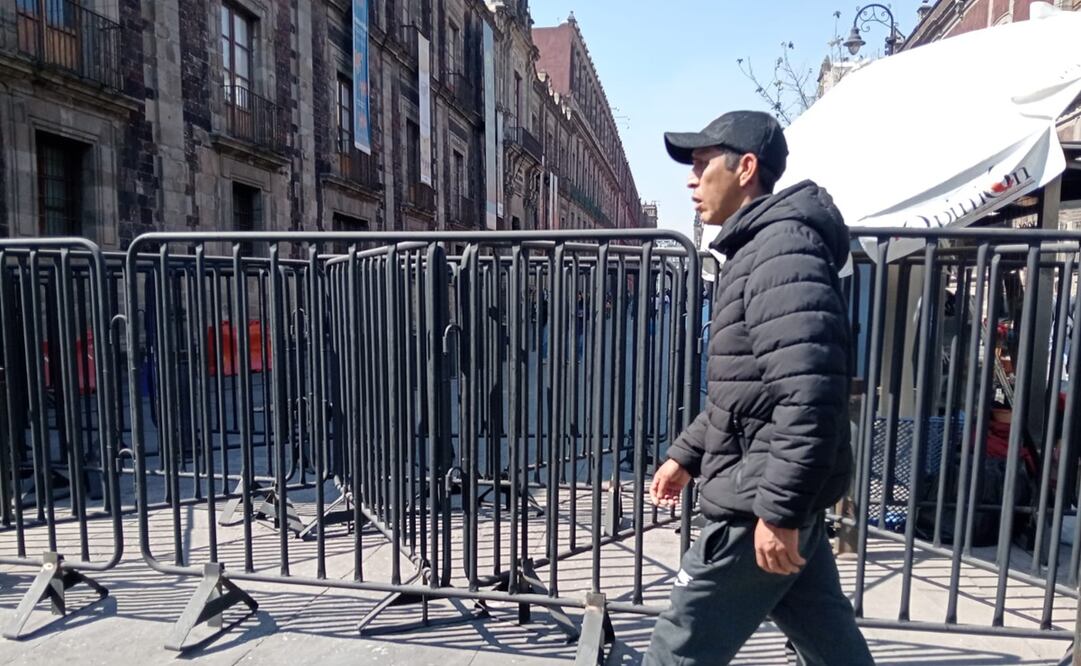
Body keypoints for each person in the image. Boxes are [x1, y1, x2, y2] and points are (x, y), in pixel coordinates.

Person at [644, 110, 874, 666]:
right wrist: (686, 455)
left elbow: (811, 397)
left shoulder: (779, 252)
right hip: (772, 489)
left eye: (701, 165)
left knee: (678, 648)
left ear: (745, 168)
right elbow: (746, 394)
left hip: (757, 501)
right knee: (830, 645)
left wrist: (779, 512)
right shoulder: (760, 250)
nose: (690, 181)